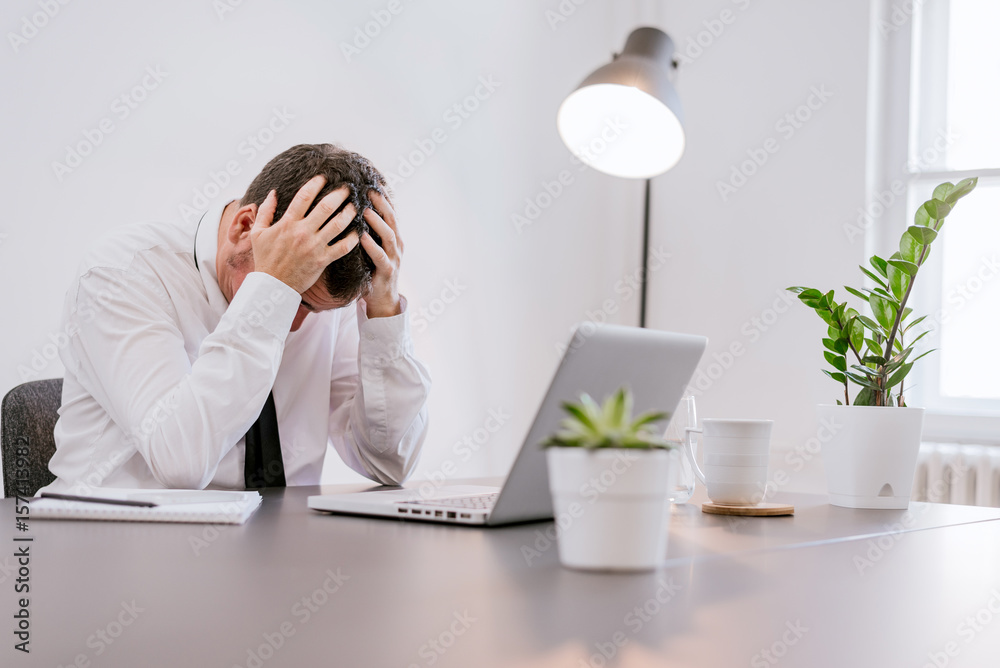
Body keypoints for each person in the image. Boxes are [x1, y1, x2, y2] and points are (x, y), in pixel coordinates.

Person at [38, 143, 430, 495]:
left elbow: (387, 462)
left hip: (282, 556)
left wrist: (384, 314)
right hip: (116, 550)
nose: (294, 325)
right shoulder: (121, 273)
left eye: (312, 308)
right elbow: (180, 461)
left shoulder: (323, 289)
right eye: (295, 298)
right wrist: (273, 291)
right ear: (246, 228)